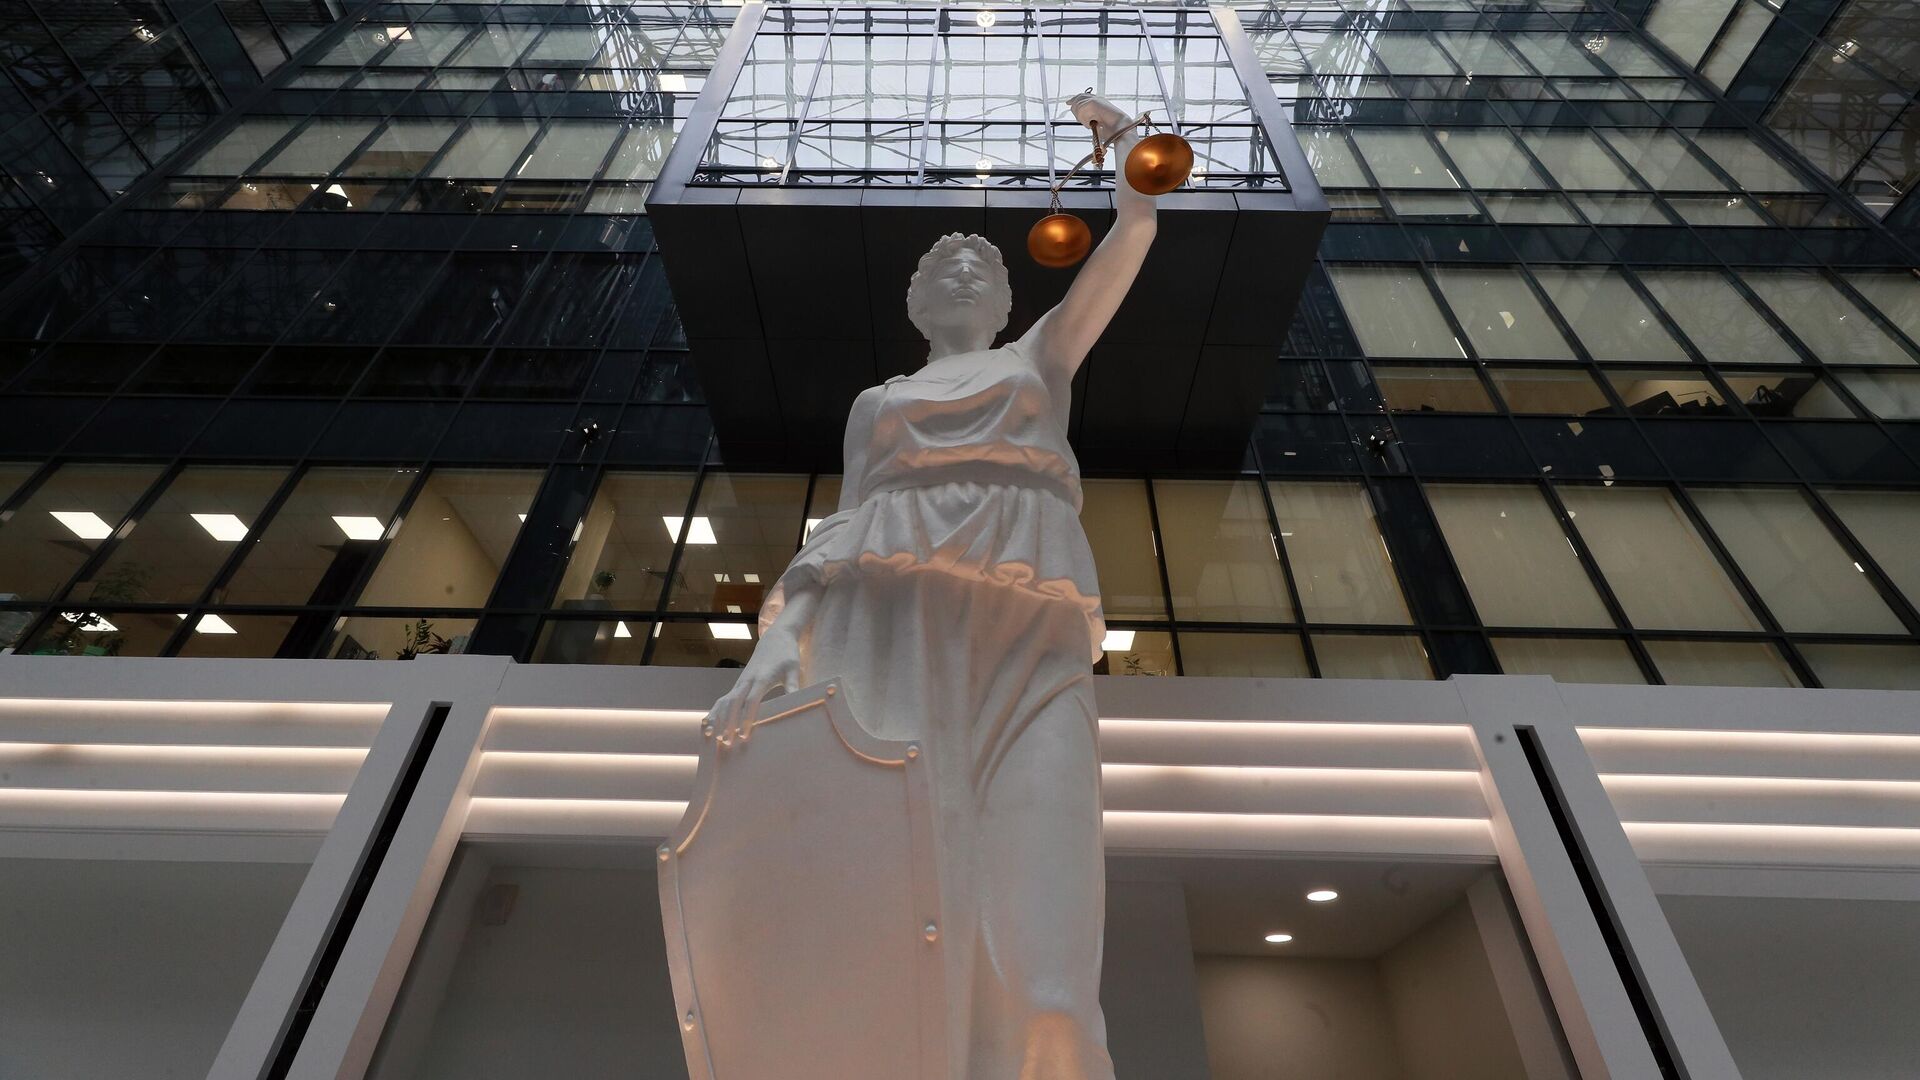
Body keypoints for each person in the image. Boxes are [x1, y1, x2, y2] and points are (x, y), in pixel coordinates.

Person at [702, 92, 1158, 1080]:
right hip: (884, 630)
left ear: (1004, 304)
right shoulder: (880, 402)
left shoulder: (1040, 357)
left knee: (1049, 989)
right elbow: (847, 522)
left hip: (1025, 635)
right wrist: (778, 638)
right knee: (897, 917)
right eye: (942, 265)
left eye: (983, 266)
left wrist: (1127, 151)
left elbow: (1132, 236)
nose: (962, 268)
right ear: (916, 305)